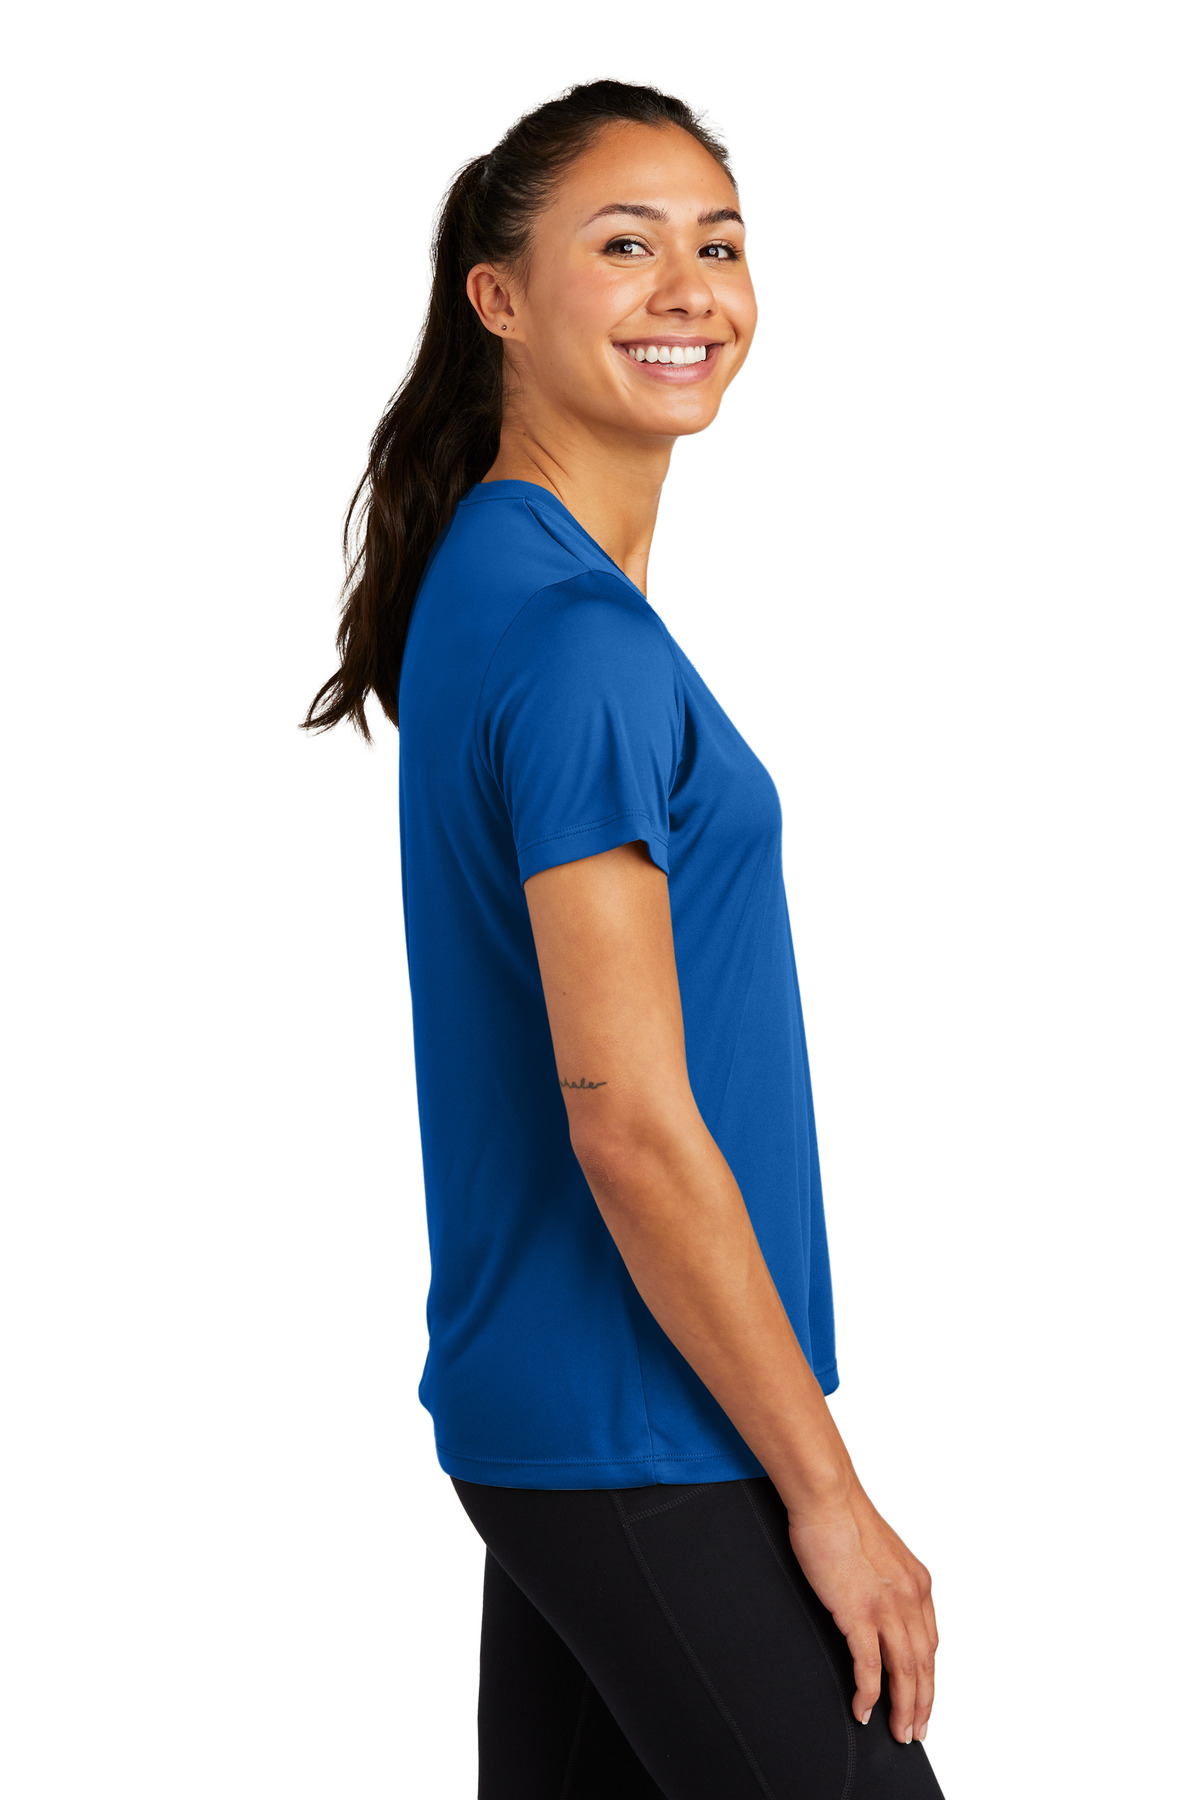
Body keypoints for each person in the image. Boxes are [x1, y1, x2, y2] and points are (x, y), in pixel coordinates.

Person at [304, 78, 945, 1800]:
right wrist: (829, 1494)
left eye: (719, 246)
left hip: (574, 1415)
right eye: (625, 244)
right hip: (646, 1425)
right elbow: (629, 1124)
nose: (690, 290)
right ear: (497, 297)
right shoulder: (575, 636)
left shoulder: (489, 578)